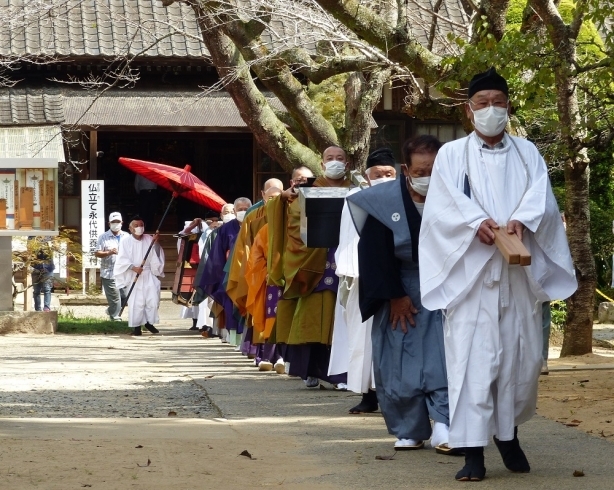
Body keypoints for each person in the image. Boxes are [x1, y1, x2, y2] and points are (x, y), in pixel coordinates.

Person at [419, 67, 577, 481]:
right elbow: (442, 208)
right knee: (473, 361)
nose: (491, 110)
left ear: (508, 108)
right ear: (469, 112)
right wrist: (476, 223)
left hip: (518, 274)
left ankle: (508, 436)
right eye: (483, 104)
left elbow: (540, 197)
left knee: (520, 362)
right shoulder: (452, 155)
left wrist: (521, 222)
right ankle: (472, 450)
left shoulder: (528, 153)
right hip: (473, 278)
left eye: (498, 103)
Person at [347, 136, 452, 453]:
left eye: (434, 168)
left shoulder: (456, 194)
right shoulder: (382, 199)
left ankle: (447, 423)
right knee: (398, 359)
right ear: (406, 169)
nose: (428, 175)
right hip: (400, 285)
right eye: (421, 169)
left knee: (445, 356)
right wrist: (394, 295)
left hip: (447, 285)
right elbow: (374, 253)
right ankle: (408, 427)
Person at [268, 149, 351, 388]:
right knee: (313, 319)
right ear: (322, 165)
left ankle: (343, 374)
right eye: (330, 159)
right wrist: (283, 198)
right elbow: (294, 225)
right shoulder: (306, 193)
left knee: (344, 321)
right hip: (314, 265)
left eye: (340, 159)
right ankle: (311, 370)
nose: (335, 163)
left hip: (348, 263)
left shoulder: (357, 190)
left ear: (347, 163)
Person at [328, 148, 397, 414]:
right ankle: (367, 395)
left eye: (389, 173)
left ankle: (396, 394)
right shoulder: (355, 198)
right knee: (362, 338)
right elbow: (349, 238)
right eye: (377, 174)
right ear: (367, 177)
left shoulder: (404, 195)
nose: (383, 178)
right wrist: (351, 274)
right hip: (362, 275)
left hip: (398, 273)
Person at [198, 197, 252, 346]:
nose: (243, 211)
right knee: (231, 306)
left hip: (251, 273)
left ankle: (249, 342)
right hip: (230, 275)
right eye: (240, 209)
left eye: (246, 208)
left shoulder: (256, 224)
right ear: (234, 211)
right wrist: (221, 275)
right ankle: (234, 339)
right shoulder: (225, 230)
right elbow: (218, 254)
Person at [114, 217, 165, 336]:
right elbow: (122, 259)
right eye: (136, 225)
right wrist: (133, 267)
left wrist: (156, 242)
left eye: (141, 225)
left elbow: (157, 254)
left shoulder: (149, 239)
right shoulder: (125, 241)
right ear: (130, 228)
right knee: (136, 301)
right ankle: (136, 327)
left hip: (148, 273)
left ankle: (149, 322)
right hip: (134, 274)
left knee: (152, 299)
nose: (139, 227)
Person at [95, 212, 129, 321]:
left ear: (122, 223)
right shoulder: (103, 237)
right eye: (113, 222)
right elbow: (97, 253)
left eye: (118, 222)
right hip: (109, 272)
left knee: (125, 296)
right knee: (115, 298)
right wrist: (109, 252)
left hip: (124, 272)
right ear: (109, 223)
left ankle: (111, 311)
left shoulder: (127, 236)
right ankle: (115, 318)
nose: (116, 224)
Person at [30, 238, 55, 312]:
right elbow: (31, 259)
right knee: (36, 290)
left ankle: (46, 307)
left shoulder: (50, 245)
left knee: (47, 289)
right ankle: (37, 308)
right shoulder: (33, 243)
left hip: (48, 269)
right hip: (36, 269)